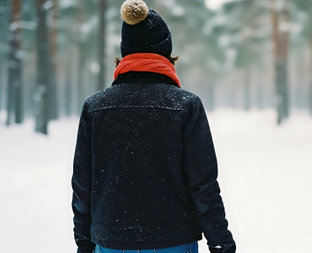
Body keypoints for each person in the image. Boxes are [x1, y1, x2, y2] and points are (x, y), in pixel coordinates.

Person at [71, 0, 236, 252]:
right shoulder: (186, 106)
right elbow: (202, 183)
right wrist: (220, 241)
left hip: (110, 241)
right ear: (165, 52)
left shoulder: (95, 108)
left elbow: (83, 183)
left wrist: (83, 239)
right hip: (175, 241)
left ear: (125, 52)